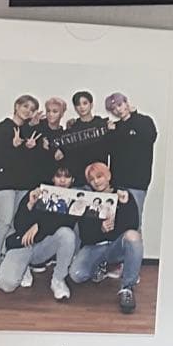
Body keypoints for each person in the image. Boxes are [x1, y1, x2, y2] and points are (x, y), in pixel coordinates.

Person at [69, 161, 142, 314]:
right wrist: (100, 229)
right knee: (76, 275)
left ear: (108, 176)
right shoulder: (88, 200)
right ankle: (103, 265)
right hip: (95, 247)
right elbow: (85, 236)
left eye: (99, 176)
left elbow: (133, 225)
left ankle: (127, 288)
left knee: (133, 236)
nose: (96, 182)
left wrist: (125, 205)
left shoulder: (123, 195)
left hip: (115, 246)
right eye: (92, 179)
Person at [0, 168, 79, 300]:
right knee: (6, 284)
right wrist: (30, 204)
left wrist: (40, 226)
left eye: (67, 176)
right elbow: (19, 225)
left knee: (67, 234)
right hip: (23, 244)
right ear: (53, 178)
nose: (63, 180)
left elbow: (67, 223)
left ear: (72, 180)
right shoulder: (37, 192)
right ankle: (24, 268)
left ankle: (58, 280)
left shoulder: (72, 200)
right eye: (58, 176)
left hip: (42, 248)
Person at [0, 95, 41, 285]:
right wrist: (12, 146)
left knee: (14, 224)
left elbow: (29, 163)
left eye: (32, 109)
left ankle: (5, 259)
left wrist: (29, 148)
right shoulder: (0, 128)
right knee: (3, 222)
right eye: (25, 106)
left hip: (23, 185)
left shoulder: (28, 132)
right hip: (6, 184)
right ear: (16, 106)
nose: (28, 111)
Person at [105, 93, 157, 224]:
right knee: (116, 222)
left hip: (137, 182)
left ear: (126, 103)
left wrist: (134, 116)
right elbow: (108, 150)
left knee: (134, 222)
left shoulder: (144, 121)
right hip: (117, 183)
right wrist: (109, 133)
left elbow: (150, 137)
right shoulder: (114, 128)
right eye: (113, 109)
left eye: (120, 105)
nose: (118, 110)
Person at [60, 90, 111, 183]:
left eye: (85, 103)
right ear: (75, 108)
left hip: (98, 179)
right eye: (78, 104)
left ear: (91, 105)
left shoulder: (102, 124)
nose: (82, 107)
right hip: (78, 179)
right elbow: (66, 151)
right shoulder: (72, 128)